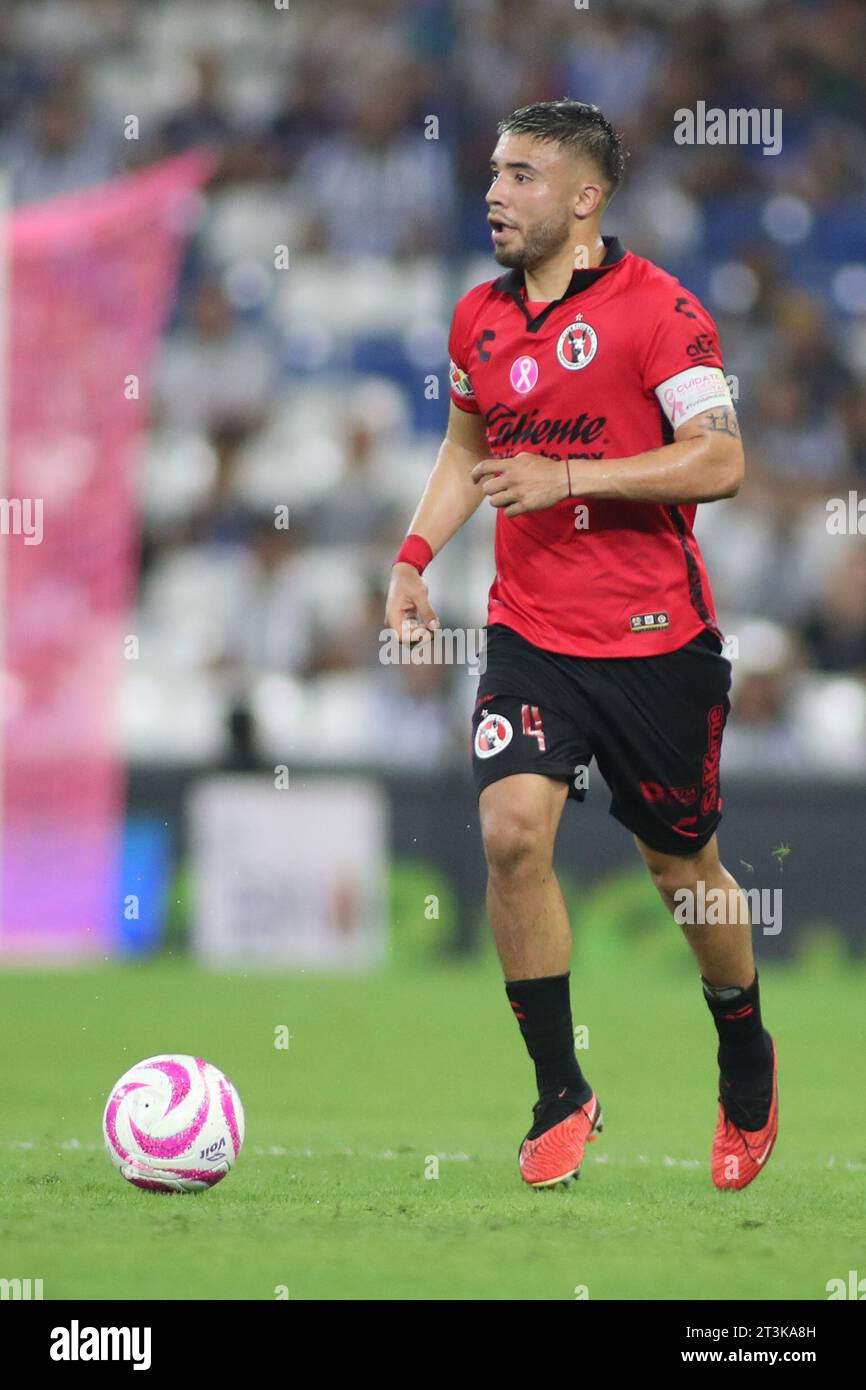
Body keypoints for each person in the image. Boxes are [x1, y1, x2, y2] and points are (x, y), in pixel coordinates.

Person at [385, 100, 778, 1191]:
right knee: (511, 834)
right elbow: (467, 449)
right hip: (529, 633)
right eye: (493, 173)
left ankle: (741, 1048)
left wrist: (572, 478)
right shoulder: (477, 317)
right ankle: (560, 1088)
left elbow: (718, 460)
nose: (494, 194)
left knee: (679, 867)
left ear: (583, 197)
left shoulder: (662, 312)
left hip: (656, 641)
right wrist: (414, 555)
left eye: (520, 176)